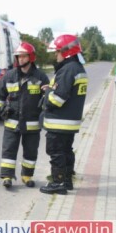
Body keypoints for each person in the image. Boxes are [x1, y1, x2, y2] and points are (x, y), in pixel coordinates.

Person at [0, 42, 50, 189]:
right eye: (18, 57)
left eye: (23, 56)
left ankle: (27, 176)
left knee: (30, 151)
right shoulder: (9, 76)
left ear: (31, 57)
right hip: (12, 121)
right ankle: (7, 177)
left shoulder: (41, 77)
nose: (20, 59)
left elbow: (48, 99)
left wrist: (48, 94)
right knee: (9, 150)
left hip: (32, 123)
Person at [40, 34, 87, 195]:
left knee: (56, 153)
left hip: (59, 123)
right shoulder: (78, 68)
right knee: (66, 152)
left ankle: (58, 183)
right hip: (70, 122)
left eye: (57, 51)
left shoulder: (68, 70)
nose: (55, 55)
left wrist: (47, 93)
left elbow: (57, 100)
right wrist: (51, 89)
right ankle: (66, 181)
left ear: (66, 51)